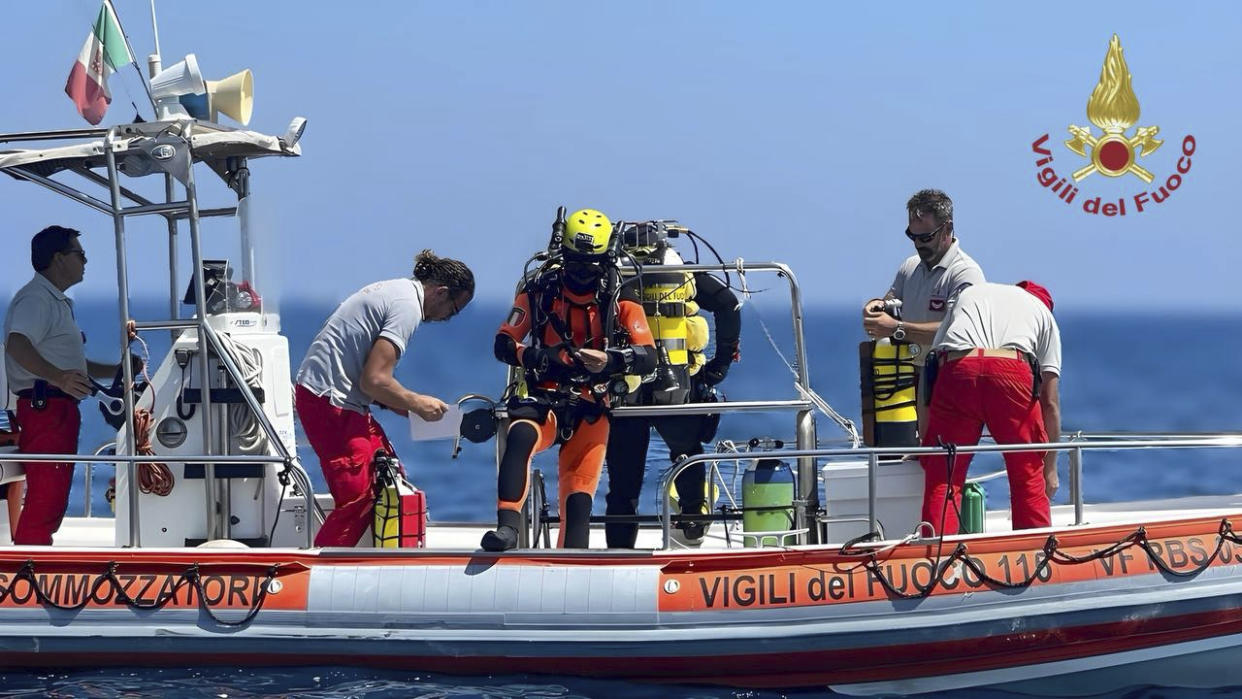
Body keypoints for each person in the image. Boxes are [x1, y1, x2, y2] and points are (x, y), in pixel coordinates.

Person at [484, 208, 656, 552]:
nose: (580, 273)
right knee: (519, 438)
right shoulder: (540, 291)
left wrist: (610, 360)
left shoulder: (620, 298)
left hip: (591, 404)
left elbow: (648, 355)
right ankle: (507, 530)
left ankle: (571, 561)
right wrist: (532, 356)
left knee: (578, 500)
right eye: (574, 262)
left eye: (588, 265)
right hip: (543, 397)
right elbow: (504, 342)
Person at [295, 250, 474, 547]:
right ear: (441, 292)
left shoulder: (399, 291)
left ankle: (379, 562)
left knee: (391, 478)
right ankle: (321, 571)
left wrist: (405, 406)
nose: (446, 319)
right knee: (359, 498)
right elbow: (375, 380)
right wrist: (416, 402)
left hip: (339, 398)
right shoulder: (408, 308)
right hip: (329, 402)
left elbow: (369, 379)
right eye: (453, 311)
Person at [604, 221, 740, 548]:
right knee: (687, 453)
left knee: (623, 485)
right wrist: (719, 365)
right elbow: (728, 304)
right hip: (677, 384)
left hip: (626, 390)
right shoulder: (684, 275)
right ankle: (694, 518)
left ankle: (619, 553)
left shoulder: (612, 275)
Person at [3, 226, 139, 545]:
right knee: (45, 498)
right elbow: (17, 344)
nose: (86, 261)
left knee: (53, 497)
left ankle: (32, 564)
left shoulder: (57, 301)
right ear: (59, 259)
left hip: (56, 409)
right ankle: (28, 570)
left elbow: (71, 365)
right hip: (45, 410)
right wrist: (58, 378)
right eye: (80, 254)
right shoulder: (36, 299)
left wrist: (115, 370)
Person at [918, 281, 1062, 535]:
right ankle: (1035, 556)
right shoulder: (1043, 315)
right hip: (1011, 371)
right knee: (1027, 473)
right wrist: (1050, 469)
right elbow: (1049, 401)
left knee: (944, 478)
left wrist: (927, 446)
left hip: (958, 368)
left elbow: (931, 372)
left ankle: (935, 560)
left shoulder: (972, 294)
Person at [862, 189, 985, 433]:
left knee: (940, 457)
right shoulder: (910, 267)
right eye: (912, 236)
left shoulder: (965, 274)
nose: (918, 244)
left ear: (947, 229)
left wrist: (896, 329)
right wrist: (875, 308)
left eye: (926, 237)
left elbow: (956, 332)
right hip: (908, 378)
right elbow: (889, 301)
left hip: (947, 381)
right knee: (903, 454)